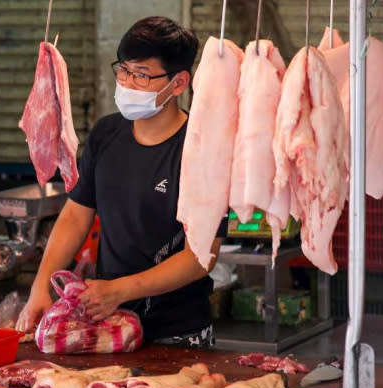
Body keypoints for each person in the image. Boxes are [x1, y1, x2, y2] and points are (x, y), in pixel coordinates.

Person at [16, 16, 227, 349]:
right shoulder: (106, 134)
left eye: (141, 75)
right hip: (108, 326)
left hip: (177, 334)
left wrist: (120, 290)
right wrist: (40, 286)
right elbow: (75, 216)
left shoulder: (200, 147)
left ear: (178, 82)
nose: (127, 83)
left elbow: (200, 256)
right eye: (123, 70)